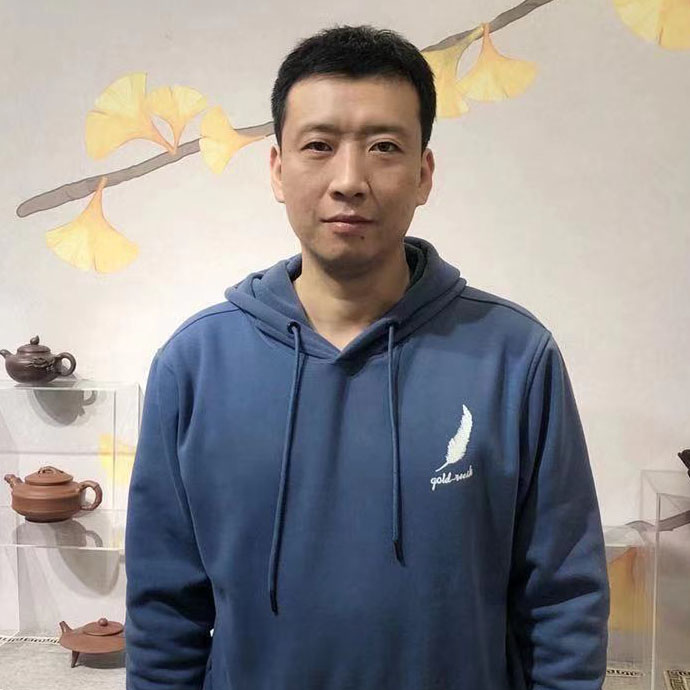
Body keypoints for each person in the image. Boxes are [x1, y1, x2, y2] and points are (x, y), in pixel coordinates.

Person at [125, 24, 610, 690]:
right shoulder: (195, 365)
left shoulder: (514, 357)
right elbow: (164, 613)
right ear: (277, 169)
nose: (349, 180)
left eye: (384, 147)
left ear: (424, 173)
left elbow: (563, 598)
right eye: (319, 146)